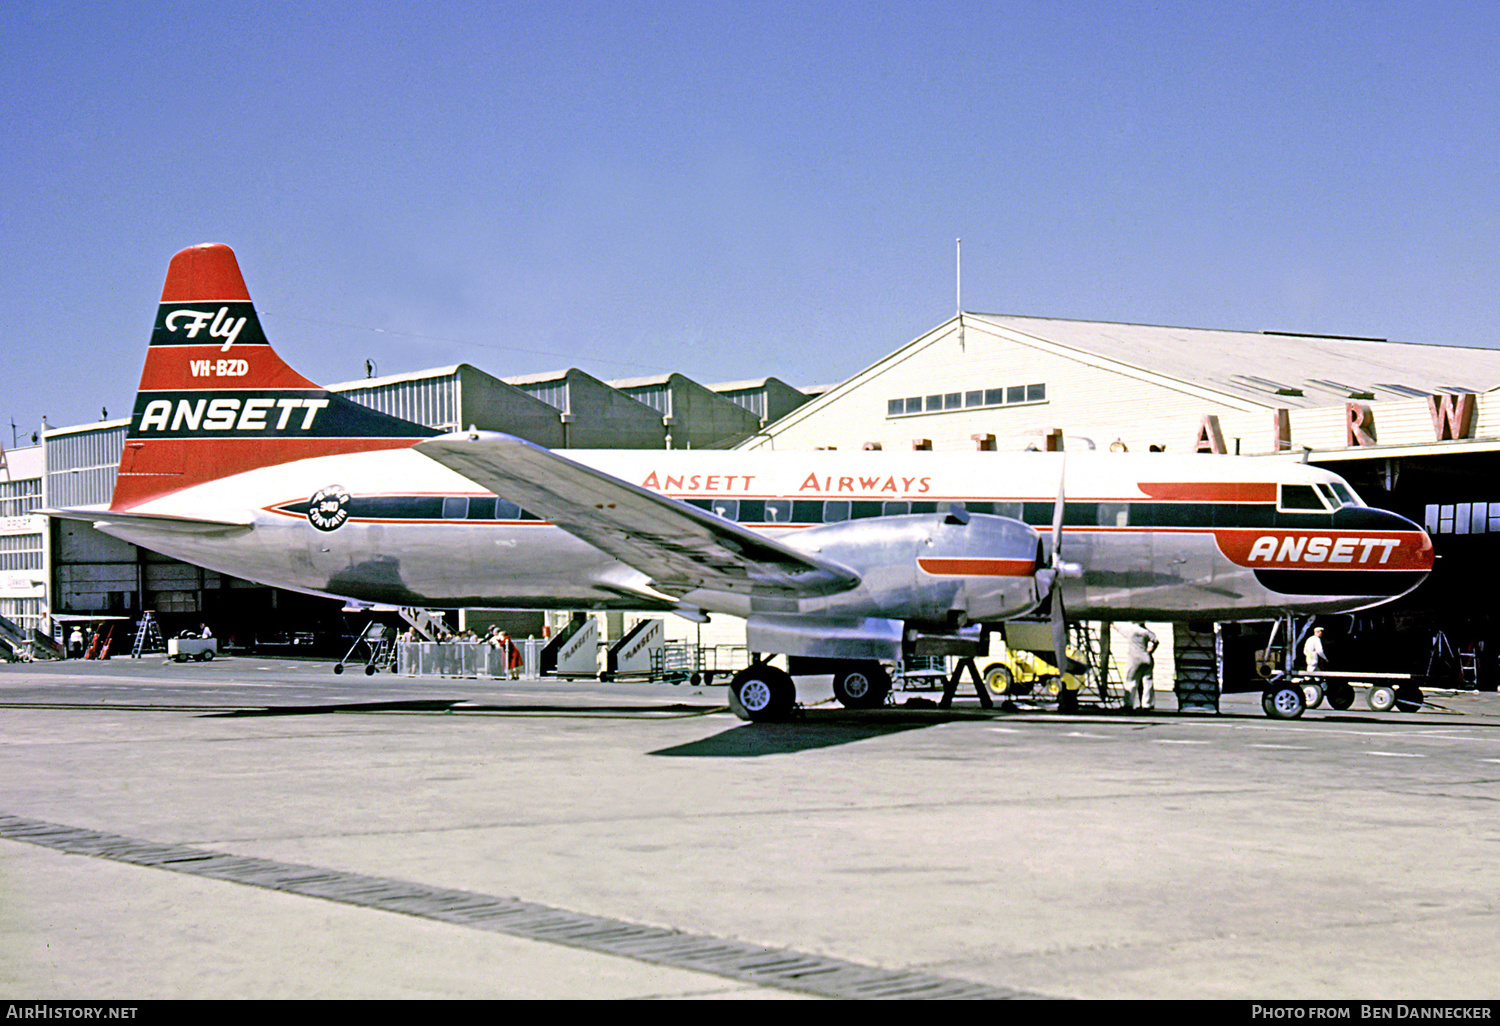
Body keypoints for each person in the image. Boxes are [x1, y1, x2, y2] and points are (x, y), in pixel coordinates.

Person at [1124, 622, 1158, 711]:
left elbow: (1119, 628)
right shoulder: (1147, 632)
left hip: (1134, 658)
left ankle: (1128, 704)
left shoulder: (1130, 629)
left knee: (1131, 681)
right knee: (1148, 682)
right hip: (1146, 657)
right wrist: (1151, 650)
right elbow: (1156, 641)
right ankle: (1147, 704)